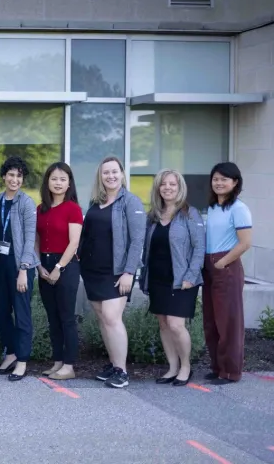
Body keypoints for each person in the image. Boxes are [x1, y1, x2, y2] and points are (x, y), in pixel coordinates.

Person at [78, 156, 145, 389]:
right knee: (102, 318)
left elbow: (137, 240)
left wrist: (129, 271)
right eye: (106, 173)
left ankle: (122, 371)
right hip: (92, 270)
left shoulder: (131, 202)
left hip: (117, 272)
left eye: (115, 172)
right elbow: (89, 233)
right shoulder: (97, 202)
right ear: (100, 176)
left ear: (122, 174)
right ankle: (114, 364)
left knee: (111, 317)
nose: (111, 176)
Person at [139, 169, 205, 387]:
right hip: (158, 277)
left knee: (176, 324)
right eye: (163, 184)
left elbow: (199, 248)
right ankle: (172, 367)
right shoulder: (154, 216)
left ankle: (186, 366)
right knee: (164, 325)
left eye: (172, 184)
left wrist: (191, 276)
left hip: (182, 279)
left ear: (180, 188)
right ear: (158, 188)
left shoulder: (190, 214)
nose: (167, 188)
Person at [203, 162, 252, 385]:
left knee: (228, 322)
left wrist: (221, 263)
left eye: (224, 179)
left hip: (226, 266)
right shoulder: (213, 208)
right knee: (212, 322)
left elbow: (245, 243)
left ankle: (231, 372)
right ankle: (217, 367)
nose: (219, 183)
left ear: (235, 182)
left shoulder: (238, 208)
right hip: (208, 265)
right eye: (216, 179)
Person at [0, 156, 38, 382]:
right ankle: (10, 353)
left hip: (20, 266)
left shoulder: (26, 203)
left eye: (19, 176)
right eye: (11, 174)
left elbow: (30, 240)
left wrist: (24, 269)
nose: (15, 179)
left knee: (22, 315)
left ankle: (22, 360)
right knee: (1, 313)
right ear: (4, 176)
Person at [36, 162, 83, 381]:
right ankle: (57, 361)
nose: (58, 183)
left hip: (65, 265)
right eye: (54, 178)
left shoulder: (73, 208)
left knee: (66, 317)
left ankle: (69, 365)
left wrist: (58, 268)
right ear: (47, 181)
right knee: (52, 317)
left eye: (63, 179)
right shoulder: (41, 209)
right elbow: (36, 239)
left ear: (69, 183)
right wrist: (38, 265)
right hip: (43, 265)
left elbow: (74, 242)